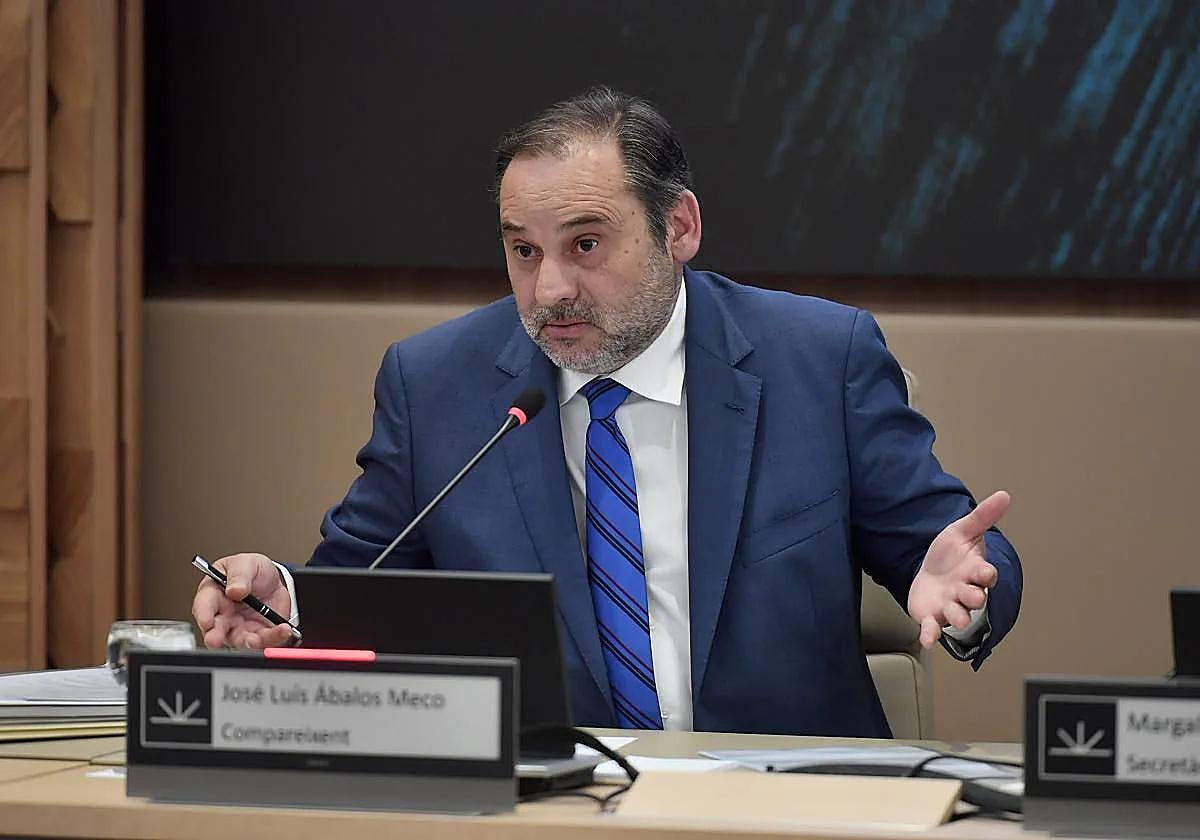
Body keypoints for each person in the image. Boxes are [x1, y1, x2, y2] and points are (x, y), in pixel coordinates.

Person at [193, 87, 1021, 737]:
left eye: (585, 244)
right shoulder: (437, 385)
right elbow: (360, 583)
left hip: (785, 804)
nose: (550, 288)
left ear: (678, 227)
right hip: (550, 803)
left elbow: (948, 550)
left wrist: (964, 591)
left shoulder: (820, 360)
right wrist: (283, 601)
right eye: (524, 250)